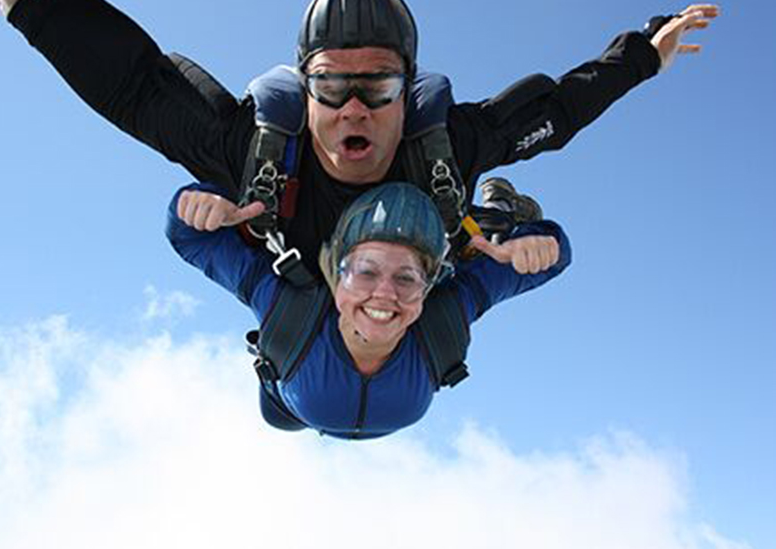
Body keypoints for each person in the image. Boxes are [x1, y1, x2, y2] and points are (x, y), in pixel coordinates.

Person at [0, 0, 719, 272]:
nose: (354, 107)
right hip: (305, 284)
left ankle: (492, 219)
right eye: (331, 87)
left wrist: (643, 56)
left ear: (408, 88)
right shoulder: (256, 150)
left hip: (414, 283)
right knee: (289, 403)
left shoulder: (445, 147)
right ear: (305, 86)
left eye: (379, 87)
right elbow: (135, 87)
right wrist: (33, 12)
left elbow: (557, 109)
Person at [167, 181, 570, 438]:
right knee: (279, 420)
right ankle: (495, 221)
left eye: (407, 278)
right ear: (336, 277)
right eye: (365, 272)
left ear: (425, 289)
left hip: (295, 400)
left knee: (481, 253)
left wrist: (539, 243)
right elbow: (552, 261)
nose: (384, 294)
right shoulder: (289, 306)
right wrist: (196, 202)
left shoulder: (288, 310)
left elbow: (190, 238)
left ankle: (495, 221)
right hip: (287, 412)